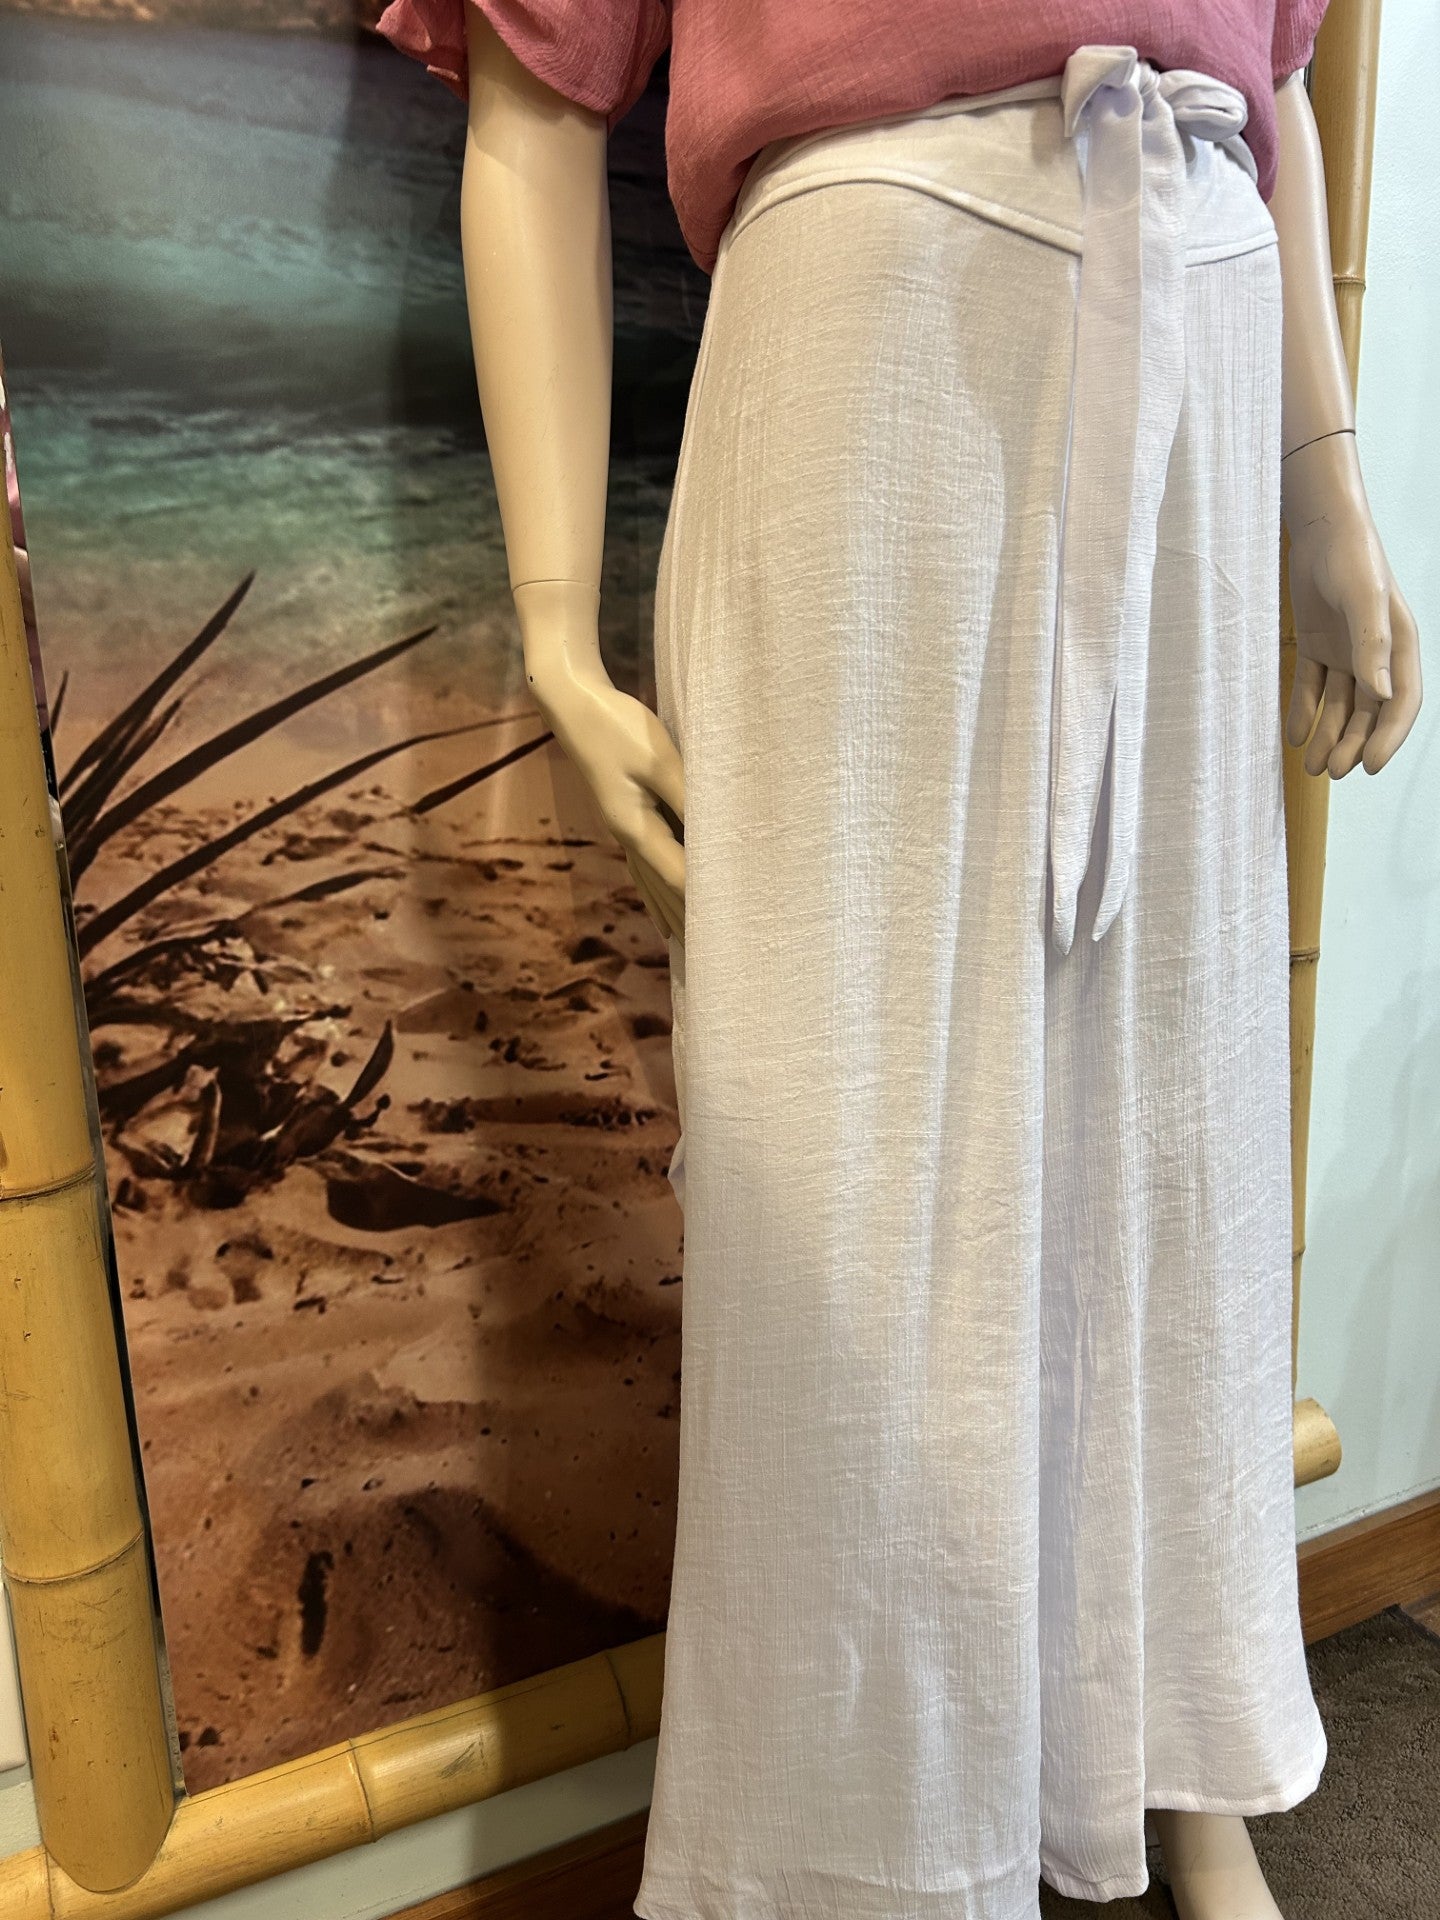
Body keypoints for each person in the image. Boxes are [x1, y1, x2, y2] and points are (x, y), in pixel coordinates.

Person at [371, 5, 1423, 1915]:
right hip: (872, 322)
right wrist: (554, 627)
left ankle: (1178, 1763)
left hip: (1204, 319)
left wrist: (1327, 480)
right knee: (851, 1172)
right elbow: (537, 96)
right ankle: (868, 1862)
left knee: (1175, 1129)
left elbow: (1267, 79)